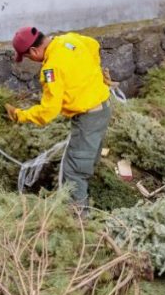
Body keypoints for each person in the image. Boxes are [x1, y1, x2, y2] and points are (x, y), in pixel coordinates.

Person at [7, 26, 111, 214]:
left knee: (73, 170)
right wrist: (95, 73)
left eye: (29, 58)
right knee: (90, 156)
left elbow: (48, 111)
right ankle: (88, 192)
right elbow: (93, 45)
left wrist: (19, 115)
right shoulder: (69, 39)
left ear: (33, 50)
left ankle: (78, 219)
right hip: (103, 107)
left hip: (88, 117)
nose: (32, 61)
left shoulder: (51, 68)